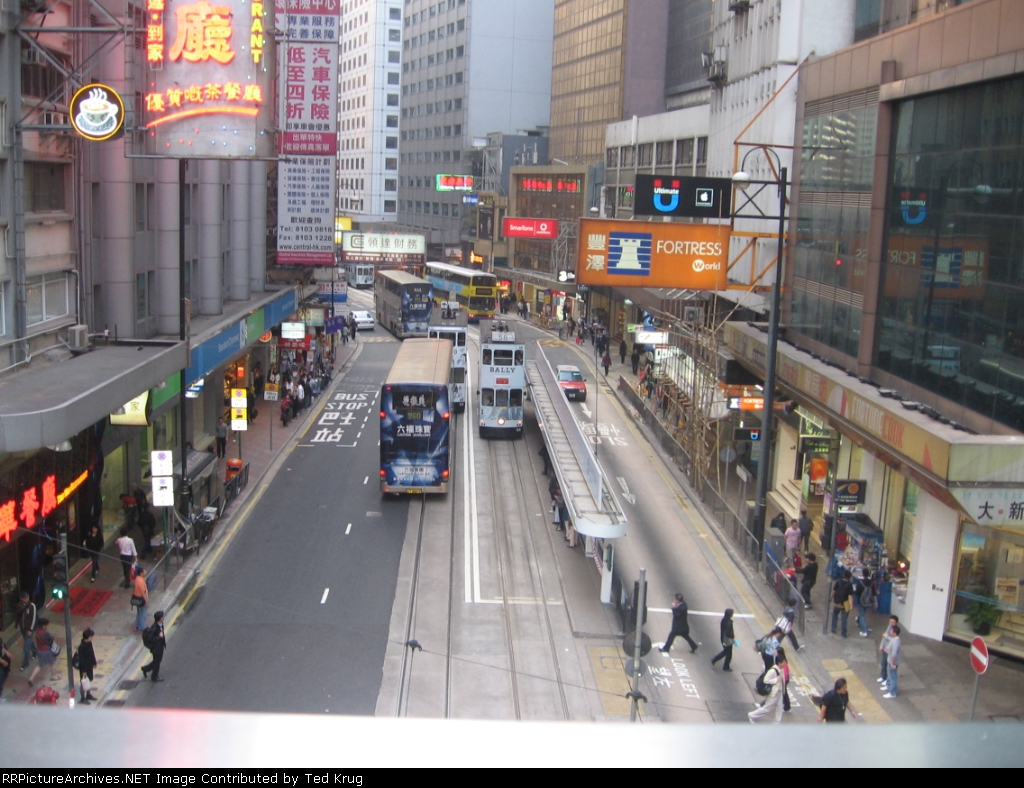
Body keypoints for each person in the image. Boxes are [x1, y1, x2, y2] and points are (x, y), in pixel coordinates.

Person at [748, 652, 786, 724]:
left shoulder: (781, 669)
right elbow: (766, 680)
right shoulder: (772, 671)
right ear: (779, 663)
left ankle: (777, 722)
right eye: (783, 662)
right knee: (767, 708)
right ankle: (751, 715)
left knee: (780, 707)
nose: (785, 664)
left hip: (780, 691)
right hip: (774, 692)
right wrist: (776, 680)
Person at [27, 618, 57, 688]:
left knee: (39, 665)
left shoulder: (37, 631)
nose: (47, 627)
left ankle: (31, 678)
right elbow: (51, 638)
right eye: (46, 625)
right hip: (46, 650)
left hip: (39, 650)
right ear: (43, 625)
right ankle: (53, 676)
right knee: (53, 662)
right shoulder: (45, 633)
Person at [141, 610, 166, 682]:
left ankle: (146, 668)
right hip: (156, 648)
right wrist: (159, 637)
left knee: (157, 660)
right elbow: (150, 638)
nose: (164, 617)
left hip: (160, 646)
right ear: (160, 618)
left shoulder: (160, 624)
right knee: (157, 662)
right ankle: (154, 676)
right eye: (163, 616)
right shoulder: (154, 628)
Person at [76, 628, 99, 705]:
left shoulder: (89, 643)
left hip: (89, 665)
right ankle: (82, 697)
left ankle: (88, 694)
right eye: (91, 637)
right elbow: (82, 660)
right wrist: (84, 671)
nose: (92, 638)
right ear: (88, 637)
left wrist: (94, 662)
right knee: (83, 682)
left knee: (89, 680)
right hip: (84, 668)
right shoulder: (81, 647)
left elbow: (92, 653)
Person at [830, 569, 855, 637]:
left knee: (835, 614)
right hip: (845, 603)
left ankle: (833, 628)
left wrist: (831, 598)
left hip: (837, 602)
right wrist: (851, 605)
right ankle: (843, 633)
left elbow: (834, 591)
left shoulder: (838, 582)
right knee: (844, 619)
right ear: (849, 577)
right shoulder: (849, 585)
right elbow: (850, 596)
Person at [17, 591, 37, 671]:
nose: (26, 599)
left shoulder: (32, 606)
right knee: (29, 643)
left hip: (29, 630)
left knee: (26, 647)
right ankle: (35, 652)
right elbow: (18, 617)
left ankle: (25, 663)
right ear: (21, 598)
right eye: (24, 598)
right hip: (23, 629)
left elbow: (33, 618)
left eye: (27, 597)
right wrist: (16, 627)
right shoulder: (19, 606)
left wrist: (31, 629)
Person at [878, 615, 899, 687]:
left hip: (889, 650)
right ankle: (883, 677)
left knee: (888, 667)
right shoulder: (889, 627)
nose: (891, 623)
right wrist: (881, 646)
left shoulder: (896, 630)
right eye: (890, 621)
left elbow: (894, 640)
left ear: (896, 623)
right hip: (885, 648)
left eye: (893, 622)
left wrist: (886, 637)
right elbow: (884, 638)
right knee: (883, 664)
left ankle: (887, 680)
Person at [882, 625, 902, 699]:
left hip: (892, 662)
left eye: (891, 631)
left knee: (893, 677)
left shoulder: (895, 641)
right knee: (890, 675)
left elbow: (894, 654)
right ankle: (889, 686)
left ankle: (892, 692)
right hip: (891, 661)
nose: (890, 632)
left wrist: (892, 663)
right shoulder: (895, 639)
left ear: (894, 632)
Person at [856, 570, 876, 637]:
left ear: (863, 574)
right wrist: (876, 602)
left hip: (861, 601)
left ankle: (864, 630)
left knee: (862, 614)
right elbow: (874, 593)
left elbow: (857, 593)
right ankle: (859, 621)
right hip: (869, 601)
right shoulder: (871, 583)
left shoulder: (860, 582)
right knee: (863, 613)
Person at [132, 567, 149, 631]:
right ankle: (142, 627)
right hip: (141, 599)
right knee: (143, 613)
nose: (146, 572)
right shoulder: (141, 582)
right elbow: (143, 593)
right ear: (141, 573)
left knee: (139, 612)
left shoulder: (137, 578)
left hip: (137, 599)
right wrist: (146, 601)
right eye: (144, 571)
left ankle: (137, 625)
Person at [0, 632, 11, 700]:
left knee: (4, 676)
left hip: (4, 665)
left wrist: (7, 652)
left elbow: (2, 648)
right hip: (1, 665)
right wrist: (2, 662)